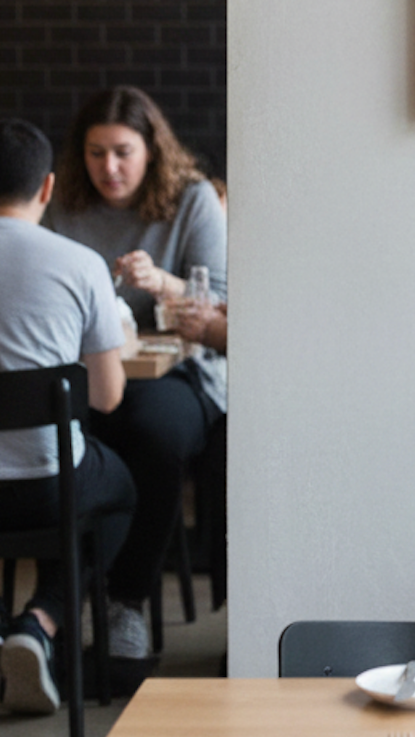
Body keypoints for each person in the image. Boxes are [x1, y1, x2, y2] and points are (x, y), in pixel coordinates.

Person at [48, 88, 226, 662]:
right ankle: (60, 602)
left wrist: (163, 284)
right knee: (58, 426)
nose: (110, 168)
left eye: (123, 152)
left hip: (183, 374)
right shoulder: (64, 206)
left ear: (152, 150)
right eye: (96, 153)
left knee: (154, 432)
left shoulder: (191, 199)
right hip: (90, 372)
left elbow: (224, 304)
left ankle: (124, 601)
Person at [0, 119, 136, 716]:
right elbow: (106, 398)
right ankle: (40, 621)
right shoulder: (79, 263)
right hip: (49, 484)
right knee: (120, 492)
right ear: (48, 187)